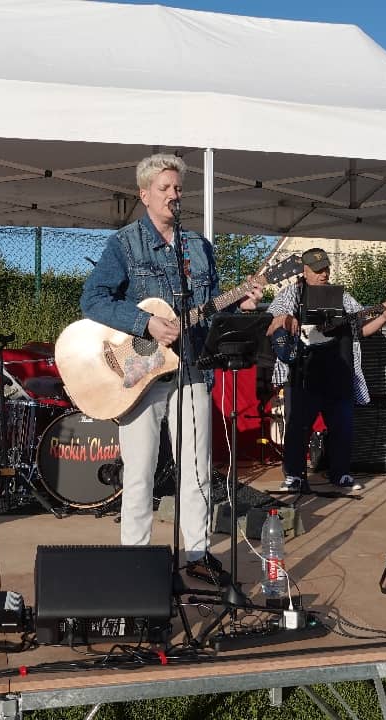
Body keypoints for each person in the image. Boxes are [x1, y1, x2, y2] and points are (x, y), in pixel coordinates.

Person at [80, 153, 260, 585]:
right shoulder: (125, 244)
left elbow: (212, 307)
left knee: (196, 472)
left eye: (178, 188)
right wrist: (145, 322)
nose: (174, 195)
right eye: (165, 188)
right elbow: (94, 299)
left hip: (193, 369)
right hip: (140, 372)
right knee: (139, 472)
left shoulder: (197, 246)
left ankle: (196, 554)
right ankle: (134, 562)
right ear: (145, 195)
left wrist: (241, 302)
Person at [267, 248, 386, 492]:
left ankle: (340, 473)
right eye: (317, 270)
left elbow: (361, 329)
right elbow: (271, 321)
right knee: (297, 426)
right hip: (302, 370)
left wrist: (385, 315)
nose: (323, 274)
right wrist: (287, 318)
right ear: (304, 271)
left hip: (337, 370)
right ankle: (294, 475)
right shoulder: (291, 293)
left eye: (326, 269)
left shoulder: (342, 296)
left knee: (343, 425)